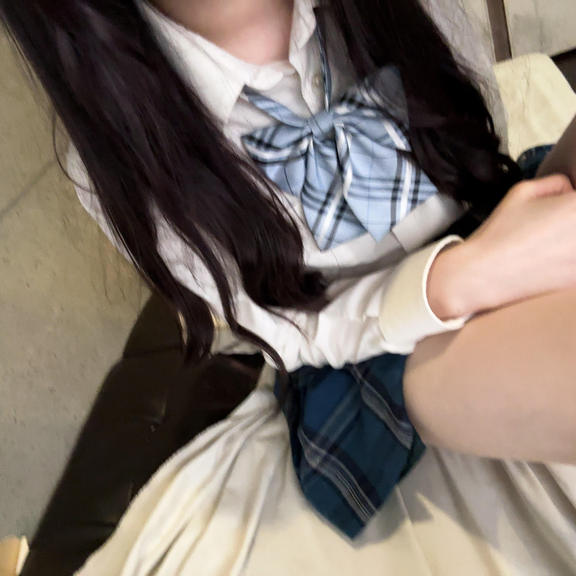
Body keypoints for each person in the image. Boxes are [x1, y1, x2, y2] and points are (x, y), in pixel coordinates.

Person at [2, 0, 576, 538]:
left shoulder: (404, 11)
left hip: (491, 228)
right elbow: (292, 332)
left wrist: (492, 250)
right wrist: (449, 284)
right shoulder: (123, 155)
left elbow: (481, 141)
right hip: (362, 357)